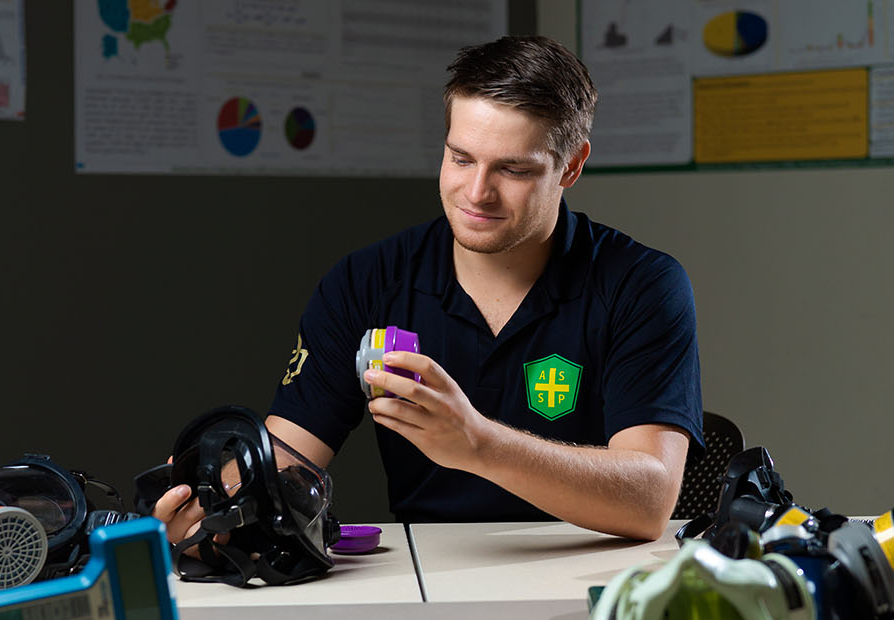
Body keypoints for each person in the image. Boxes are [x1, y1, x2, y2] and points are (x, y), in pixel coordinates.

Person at [156, 35, 702, 542]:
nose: (477, 192)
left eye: (513, 170)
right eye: (460, 158)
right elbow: (290, 454)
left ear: (571, 166)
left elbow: (649, 501)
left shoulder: (641, 285)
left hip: (590, 566)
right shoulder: (366, 282)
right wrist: (213, 506)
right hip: (428, 570)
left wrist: (479, 443)